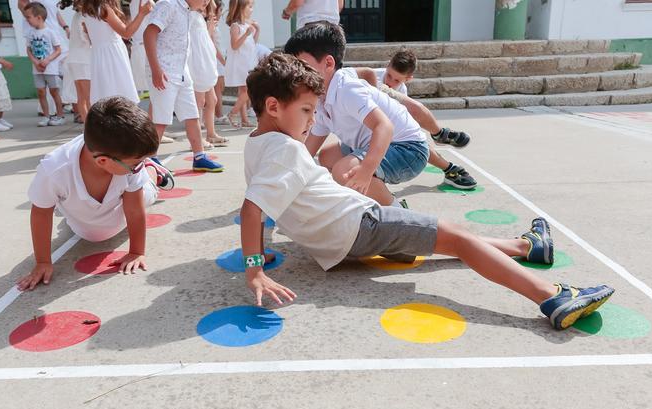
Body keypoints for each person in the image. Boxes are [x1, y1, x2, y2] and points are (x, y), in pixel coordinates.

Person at [238, 53, 615, 330]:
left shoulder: (258, 146)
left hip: (342, 241)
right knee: (456, 238)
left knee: (448, 240)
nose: (311, 120)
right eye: (306, 111)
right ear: (273, 106)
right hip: (360, 225)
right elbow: (254, 208)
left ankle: (527, 246)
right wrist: (254, 269)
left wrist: (262, 249)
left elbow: (263, 203)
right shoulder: (286, 150)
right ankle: (551, 296)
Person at [17, 97, 173, 291]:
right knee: (94, 234)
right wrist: (42, 262)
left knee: (147, 194)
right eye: (137, 162)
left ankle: (152, 172)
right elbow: (41, 213)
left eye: (141, 161)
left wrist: (136, 251)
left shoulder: (126, 163)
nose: (136, 166)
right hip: (88, 214)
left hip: (132, 194)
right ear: (102, 161)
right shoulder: (54, 170)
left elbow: (134, 209)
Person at [284, 21, 427, 208]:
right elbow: (307, 149)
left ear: (328, 63)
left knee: (344, 170)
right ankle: (370, 194)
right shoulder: (320, 96)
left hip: (409, 149)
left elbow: (384, 126)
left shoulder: (346, 89)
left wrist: (366, 170)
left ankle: (397, 211)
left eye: (302, 66)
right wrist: (286, 177)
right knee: (327, 157)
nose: (297, 73)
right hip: (376, 144)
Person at [356, 49, 478, 191]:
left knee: (412, 140)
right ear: (387, 65)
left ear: (408, 79)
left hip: (376, 129)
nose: (390, 82)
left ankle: (448, 164)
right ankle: (441, 141)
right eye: (389, 75)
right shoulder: (371, 76)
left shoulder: (401, 90)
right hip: (362, 127)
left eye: (396, 80)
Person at [143, 0, 224, 172]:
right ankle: (150, 158)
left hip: (182, 70)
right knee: (161, 119)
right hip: (164, 69)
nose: (207, 2)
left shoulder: (188, 11)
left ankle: (199, 156)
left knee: (192, 114)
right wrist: (156, 69)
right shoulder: (169, 5)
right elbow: (149, 33)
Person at [80, 0, 152, 105]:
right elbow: (126, 33)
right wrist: (141, 14)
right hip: (113, 56)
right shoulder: (104, 8)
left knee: (106, 97)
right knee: (121, 97)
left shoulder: (87, 9)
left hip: (99, 56)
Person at [188, 0, 226, 147]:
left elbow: (206, 41)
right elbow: (197, 42)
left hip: (206, 63)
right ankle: (197, 139)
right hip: (198, 63)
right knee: (199, 102)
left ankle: (211, 134)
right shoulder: (191, 15)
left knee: (212, 100)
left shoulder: (200, 17)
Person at [23, 2, 64, 126]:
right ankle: (46, 116)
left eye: (29, 17)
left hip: (50, 68)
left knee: (54, 91)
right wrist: (35, 61)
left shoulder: (50, 32)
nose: (27, 20)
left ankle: (60, 115)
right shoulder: (30, 33)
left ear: (39, 17)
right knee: (41, 92)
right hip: (37, 69)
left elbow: (58, 49)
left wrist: (47, 60)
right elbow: (29, 49)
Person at [223, 0, 258, 128]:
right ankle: (233, 113)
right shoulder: (235, 26)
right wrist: (246, 33)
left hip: (247, 61)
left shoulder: (246, 25)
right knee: (247, 90)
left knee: (243, 91)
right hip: (240, 63)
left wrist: (256, 31)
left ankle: (244, 120)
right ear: (241, 8)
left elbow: (251, 44)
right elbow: (235, 45)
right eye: (249, 6)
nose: (252, 9)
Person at [59, 0, 91, 122]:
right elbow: (86, 39)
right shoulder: (85, 17)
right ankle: (92, 128)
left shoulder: (76, 16)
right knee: (89, 98)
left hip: (75, 59)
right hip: (84, 60)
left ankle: (86, 127)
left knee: (81, 98)